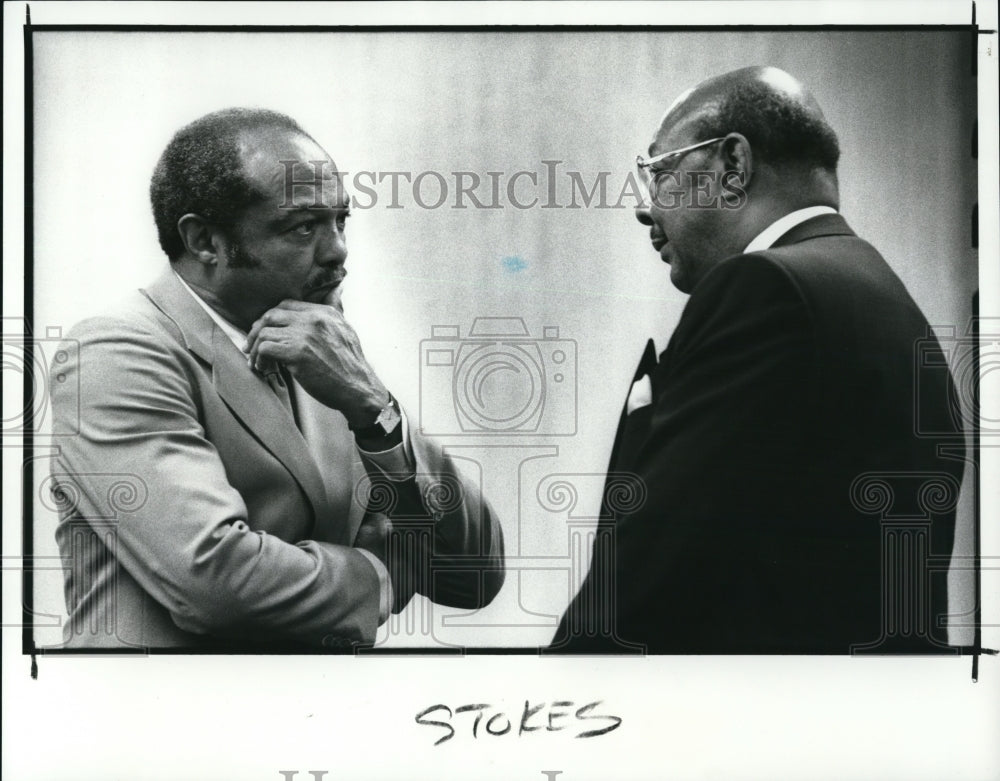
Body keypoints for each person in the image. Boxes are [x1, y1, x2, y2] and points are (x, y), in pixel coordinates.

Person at [48, 108, 504, 650]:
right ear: (204, 242)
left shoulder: (320, 355)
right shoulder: (116, 354)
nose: (337, 251)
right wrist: (381, 578)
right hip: (165, 726)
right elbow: (212, 582)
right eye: (303, 226)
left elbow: (472, 572)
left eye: (341, 221)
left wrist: (374, 409)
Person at [551, 66, 965, 654]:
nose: (646, 210)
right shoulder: (887, 300)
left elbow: (651, 571)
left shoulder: (764, 288)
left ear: (732, 167)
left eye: (660, 173)